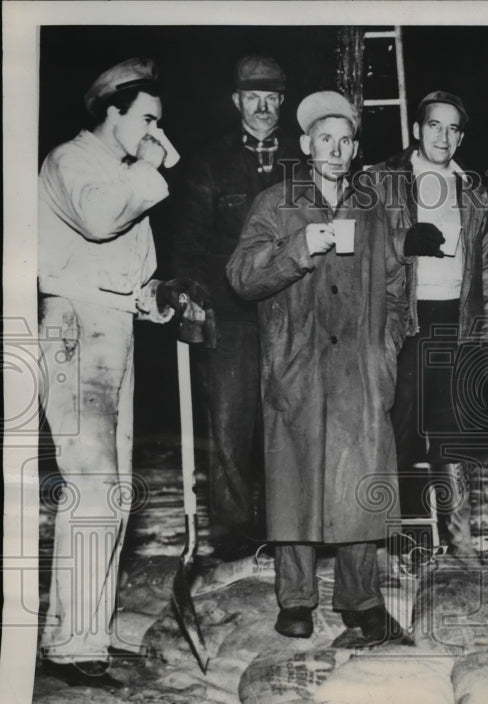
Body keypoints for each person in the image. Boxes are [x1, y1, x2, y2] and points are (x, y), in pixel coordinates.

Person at [38, 58, 207, 688]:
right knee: (92, 487)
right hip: (75, 329)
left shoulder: (117, 172)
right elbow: (99, 220)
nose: (157, 135)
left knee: (113, 491)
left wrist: (159, 297)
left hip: (114, 329)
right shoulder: (71, 162)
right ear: (112, 111)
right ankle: (72, 646)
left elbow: (127, 272)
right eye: (147, 120)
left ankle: (89, 629)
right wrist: (149, 166)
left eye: (159, 123)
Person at [226, 91, 408, 646]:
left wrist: (386, 351)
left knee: (358, 484)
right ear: (305, 145)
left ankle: (362, 599)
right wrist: (299, 246)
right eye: (324, 138)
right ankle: (296, 600)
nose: (335, 149)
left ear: (355, 148)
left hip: (358, 368)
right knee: (295, 480)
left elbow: (398, 285)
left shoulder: (374, 208)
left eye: (345, 139)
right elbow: (241, 277)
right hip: (297, 365)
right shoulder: (275, 203)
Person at [172, 55, 301, 556]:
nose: (263, 107)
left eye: (271, 97)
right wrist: (197, 303)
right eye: (253, 97)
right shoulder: (209, 163)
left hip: (291, 313)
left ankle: (287, 532)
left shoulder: (302, 157)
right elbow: (189, 246)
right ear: (237, 101)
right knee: (229, 426)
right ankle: (232, 541)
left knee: (288, 421)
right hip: (231, 315)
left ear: (282, 102)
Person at [372, 90, 488, 557]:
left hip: (454, 322)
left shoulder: (472, 191)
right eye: (434, 125)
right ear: (417, 130)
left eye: (452, 128)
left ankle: (457, 538)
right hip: (404, 321)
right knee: (402, 428)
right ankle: (405, 535)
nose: (443, 136)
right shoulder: (386, 181)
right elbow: (367, 245)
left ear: (461, 136)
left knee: (451, 434)